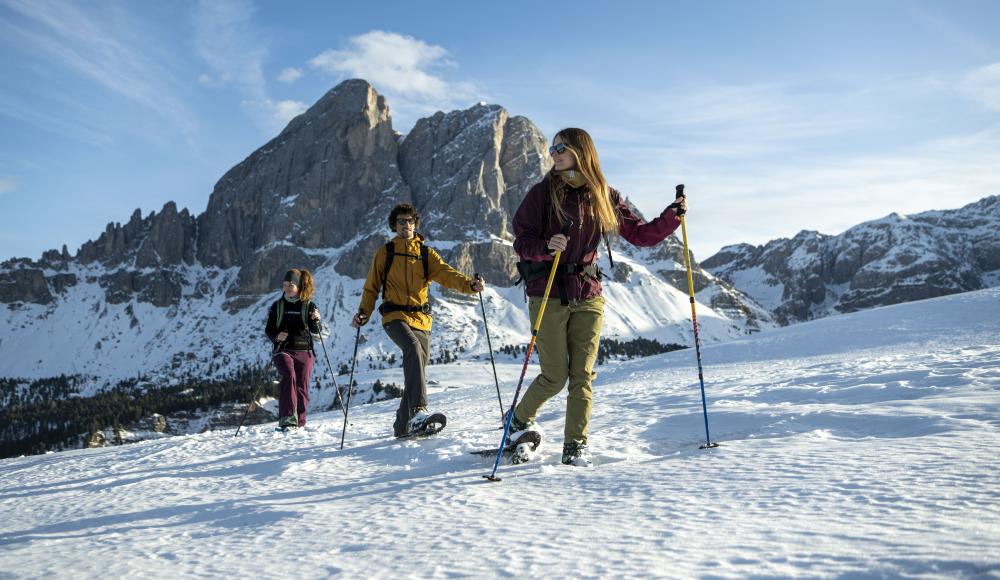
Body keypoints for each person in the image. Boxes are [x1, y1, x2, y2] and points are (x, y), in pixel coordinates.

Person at [508, 128, 688, 466]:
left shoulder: (604, 194)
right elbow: (521, 239)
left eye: (561, 147)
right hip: (547, 292)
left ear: (581, 150)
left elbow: (640, 235)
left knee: (582, 377)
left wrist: (671, 217)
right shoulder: (542, 193)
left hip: (589, 294)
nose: (554, 153)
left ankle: (575, 445)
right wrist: (546, 247)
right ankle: (517, 420)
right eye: (552, 148)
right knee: (554, 375)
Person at [352, 203, 486, 437]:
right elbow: (371, 285)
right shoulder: (386, 252)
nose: (406, 225)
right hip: (394, 316)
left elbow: (447, 274)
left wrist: (470, 285)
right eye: (401, 221)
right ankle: (419, 411)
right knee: (412, 349)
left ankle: (402, 427)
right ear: (394, 225)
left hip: (421, 319)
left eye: (410, 220)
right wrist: (364, 312)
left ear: (416, 224)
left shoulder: (426, 254)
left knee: (417, 372)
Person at [264, 269, 321, 431]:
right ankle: (288, 421)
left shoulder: (309, 305)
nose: (287, 288)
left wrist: (316, 320)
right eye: (284, 285)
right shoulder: (277, 306)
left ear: (299, 286)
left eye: (291, 284)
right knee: (289, 376)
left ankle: (300, 422)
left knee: (302, 386)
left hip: (305, 351)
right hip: (283, 350)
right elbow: (269, 329)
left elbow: (316, 330)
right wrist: (276, 336)